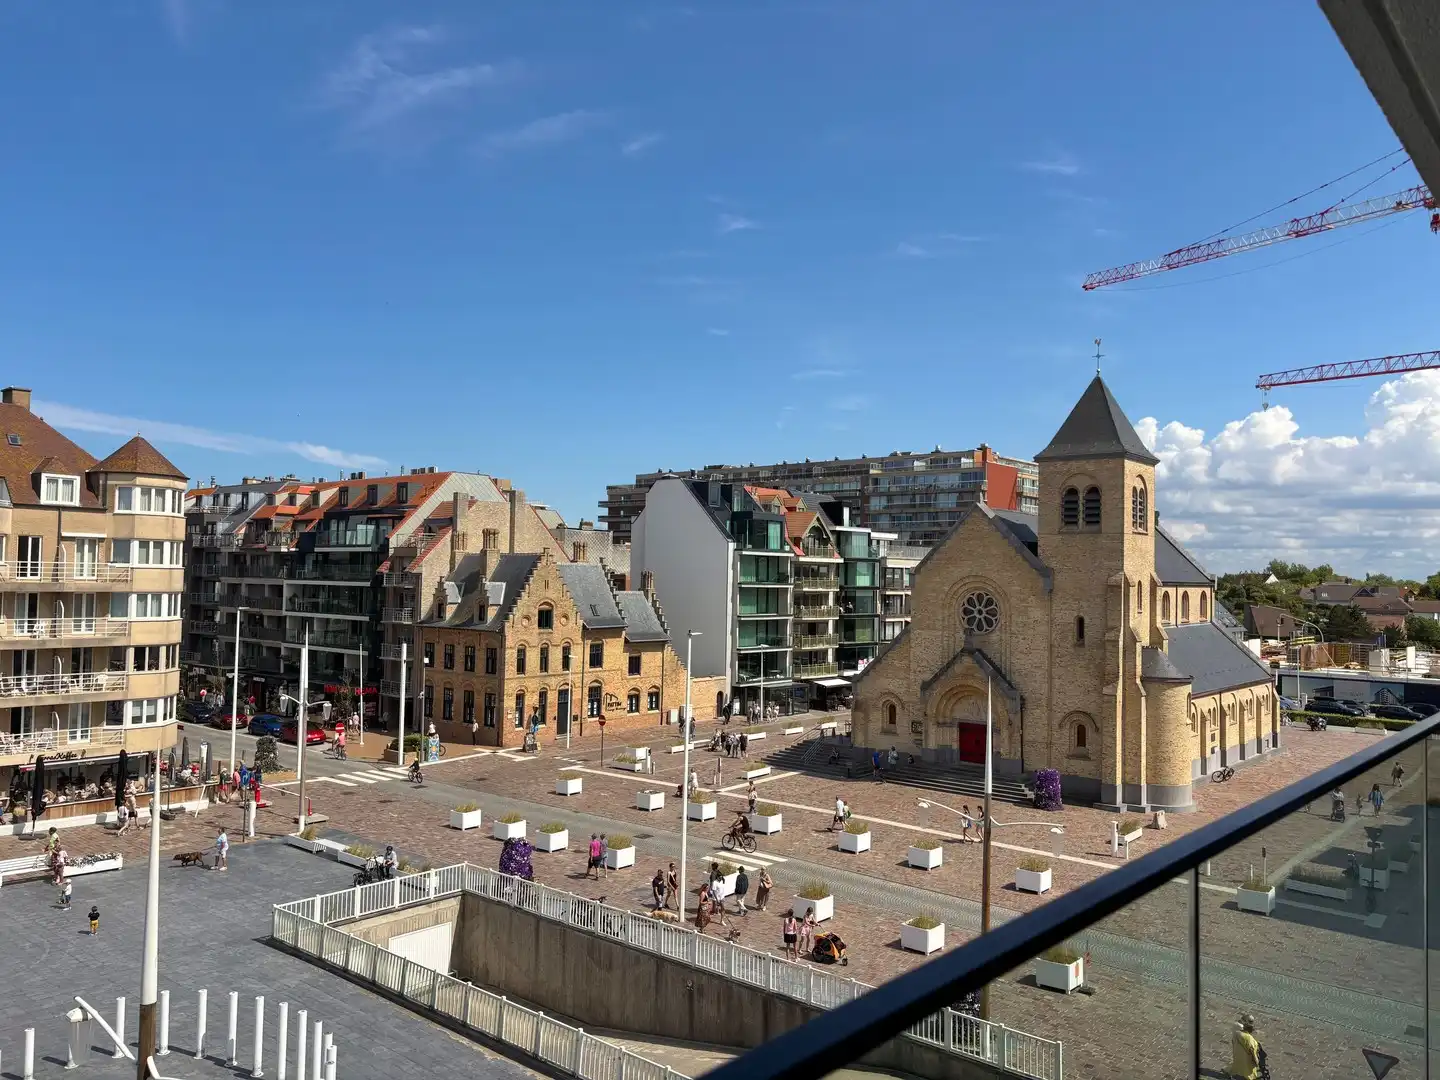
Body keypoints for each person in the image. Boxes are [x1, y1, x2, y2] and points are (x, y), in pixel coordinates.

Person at [1229, 1014, 1262, 1080]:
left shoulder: (1236, 1032)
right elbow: (1252, 1051)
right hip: (1247, 1064)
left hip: (1238, 1056)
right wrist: (1256, 1060)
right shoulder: (1248, 1038)